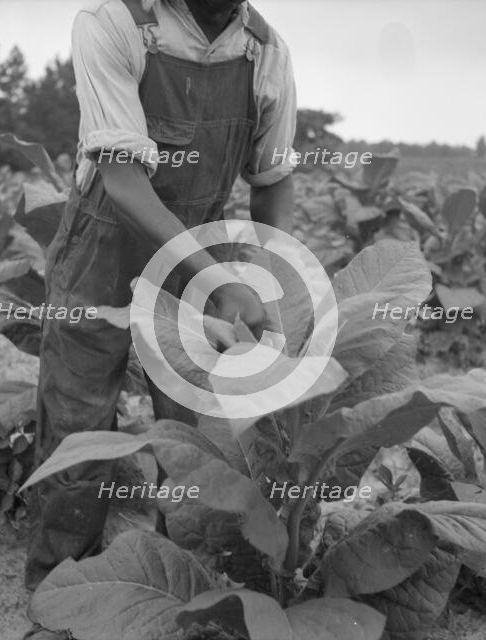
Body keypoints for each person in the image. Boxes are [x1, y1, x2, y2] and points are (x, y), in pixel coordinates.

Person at [24, 0, 297, 636]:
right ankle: (61, 596)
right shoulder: (112, 23)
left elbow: (273, 177)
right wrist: (216, 278)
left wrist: (260, 272)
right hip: (104, 252)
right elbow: (121, 179)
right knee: (77, 423)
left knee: (197, 441)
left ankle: (186, 600)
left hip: (196, 255)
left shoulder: (264, 51)